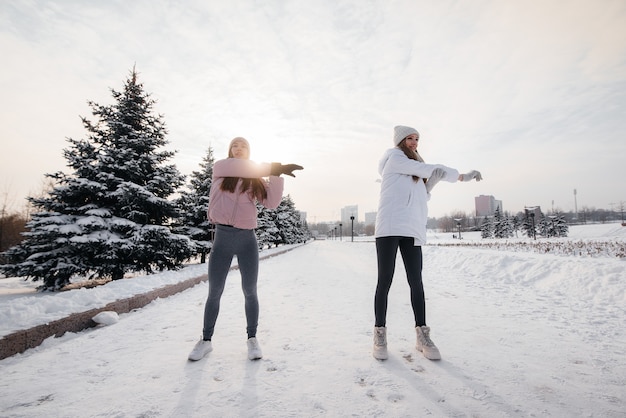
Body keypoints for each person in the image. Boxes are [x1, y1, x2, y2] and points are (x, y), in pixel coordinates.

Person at [373, 125, 482, 361]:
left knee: (416, 282)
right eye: (410, 138)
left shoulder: (415, 169)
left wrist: (439, 182)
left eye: (417, 139)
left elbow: (426, 186)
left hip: (411, 229)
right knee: (385, 281)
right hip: (389, 228)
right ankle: (379, 334)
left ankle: (422, 335)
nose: (414, 142)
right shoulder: (394, 159)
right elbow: (435, 169)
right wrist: (459, 175)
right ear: (400, 141)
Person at [188, 137, 303, 361]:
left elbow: (271, 203)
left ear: (249, 153)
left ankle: (252, 339)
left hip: (246, 239)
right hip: (222, 238)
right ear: (230, 150)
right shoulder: (221, 168)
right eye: (235, 145)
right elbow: (237, 167)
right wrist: (272, 166)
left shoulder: (254, 178)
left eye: (244, 147)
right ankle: (206, 340)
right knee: (215, 292)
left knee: (250, 291)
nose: (239, 149)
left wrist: (276, 175)